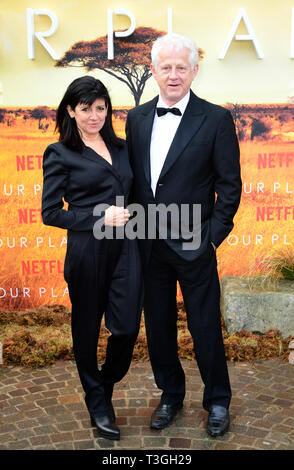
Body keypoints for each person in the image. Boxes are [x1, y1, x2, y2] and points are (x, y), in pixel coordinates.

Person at [126, 33, 242, 437]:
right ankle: (171, 395)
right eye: (165, 67)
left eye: (181, 67)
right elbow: (135, 181)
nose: (173, 75)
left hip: (196, 243)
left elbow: (229, 187)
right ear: (153, 70)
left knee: (204, 325)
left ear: (194, 70)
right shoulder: (136, 118)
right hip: (148, 244)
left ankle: (217, 402)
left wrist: (211, 237)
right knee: (158, 326)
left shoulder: (215, 120)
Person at [42, 76, 143, 441]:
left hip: (126, 247)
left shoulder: (121, 147)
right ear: (71, 110)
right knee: (86, 328)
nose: (93, 115)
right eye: (85, 109)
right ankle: (97, 402)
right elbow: (51, 213)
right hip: (88, 250)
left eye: (100, 108)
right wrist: (100, 216)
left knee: (128, 326)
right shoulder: (60, 153)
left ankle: (103, 383)